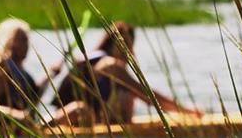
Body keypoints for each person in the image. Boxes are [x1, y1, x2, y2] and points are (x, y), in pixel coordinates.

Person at [46, 21, 204, 127]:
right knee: (126, 96)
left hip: (90, 119)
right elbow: (146, 95)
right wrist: (187, 111)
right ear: (111, 44)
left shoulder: (98, 60)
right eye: (123, 45)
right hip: (78, 118)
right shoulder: (110, 65)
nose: (127, 52)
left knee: (126, 96)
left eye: (129, 46)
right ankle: (42, 128)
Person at [0, 18, 42, 123]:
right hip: (5, 130)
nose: (27, 45)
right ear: (9, 41)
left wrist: (51, 74)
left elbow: (33, 98)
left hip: (25, 128)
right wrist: (17, 115)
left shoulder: (22, 71)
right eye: (22, 40)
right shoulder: (1, 69)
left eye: (27, 40)